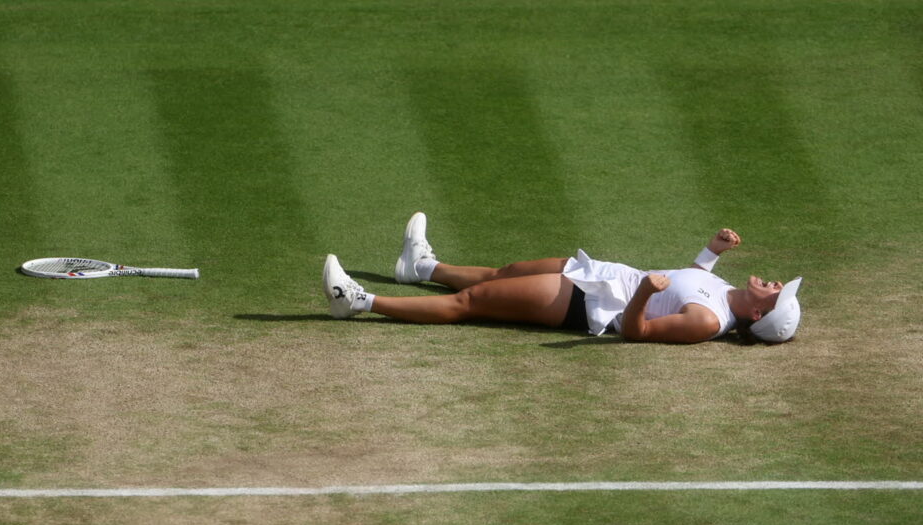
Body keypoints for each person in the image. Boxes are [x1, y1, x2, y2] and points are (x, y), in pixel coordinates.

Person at [322, 212, 802, 344]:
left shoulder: (708, 322)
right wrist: (710, 252)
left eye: (777, 294)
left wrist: (640, 294)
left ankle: (359, 300)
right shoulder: (720, 292)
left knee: (472, 303)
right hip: (600, 273)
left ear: (757, 314)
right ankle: (422, 267)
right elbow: (688, 279)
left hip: (588, 305)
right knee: (502, 272)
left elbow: (639, 332)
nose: (777, 283)